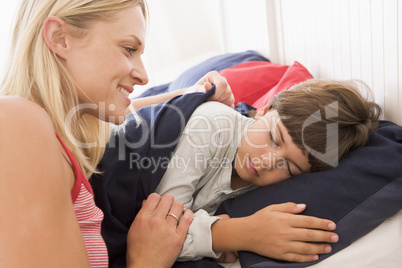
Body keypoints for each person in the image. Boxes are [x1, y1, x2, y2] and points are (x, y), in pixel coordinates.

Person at [0, 0, 338, 267]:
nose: (144, 74)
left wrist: (188, 96)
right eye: (128, 49)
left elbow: (110, 115)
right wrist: (147, 260)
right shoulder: (19, 122)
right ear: (61, 39)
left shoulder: (52, 133)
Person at [155, 79, 382, 262]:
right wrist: (232, 236)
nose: (267, 162)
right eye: (274, 138)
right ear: (264, 110)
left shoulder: (261, 191)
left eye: (290, 168)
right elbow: (160, 231)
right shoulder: (213, 125)